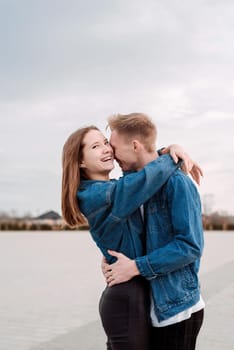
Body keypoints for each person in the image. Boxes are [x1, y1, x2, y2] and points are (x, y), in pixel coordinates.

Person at [61, 124, 202, 350]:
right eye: (96, 146)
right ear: (80, 161)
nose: (107, 149)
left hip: (138, 295)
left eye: (106, 142)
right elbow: (144, 179)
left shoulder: (115, 188)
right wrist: (171, 155)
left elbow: (141, 173)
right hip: (125, 300)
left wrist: (164, 151)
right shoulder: (98, 195)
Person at [102, 113, 205, 350]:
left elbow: (190, 246)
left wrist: (135, 267)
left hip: (177, 309)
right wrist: (112, 260)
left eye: (114, 148)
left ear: (135, 146)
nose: (112, 155)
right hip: (146, 304)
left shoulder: (178, 183)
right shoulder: (133, 185)